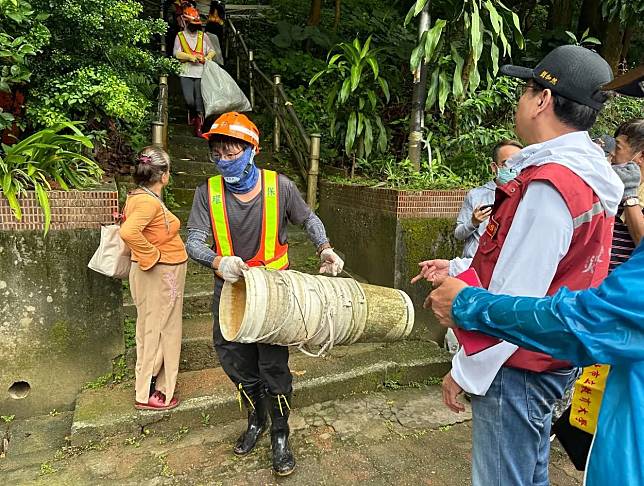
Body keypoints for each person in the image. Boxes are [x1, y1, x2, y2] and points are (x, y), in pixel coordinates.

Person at [411, 45, 623, 486]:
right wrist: (458, 268)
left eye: (525, 91)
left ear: (542, 99)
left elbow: (514, 301)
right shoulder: (589, 176)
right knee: (529, 471)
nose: (519, 102)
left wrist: (464, 373)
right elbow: (540, 268)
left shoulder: (551, 183)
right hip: (553, 356)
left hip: (517, 367)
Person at [185, 112, 344, 476]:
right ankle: (257, 417)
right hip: (230, 291)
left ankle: (281, 432)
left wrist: (324, 248)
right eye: (218, 154)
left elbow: (309, 219)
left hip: (274, 293)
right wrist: (216, 260)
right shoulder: (206, 193)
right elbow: (193, 240)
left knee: (274, 366)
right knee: (235, 362)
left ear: (252, 150)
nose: (224, 161)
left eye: (232, 152)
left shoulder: (280, 187)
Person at [426, 239, 644, 486]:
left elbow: (589, 322)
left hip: (517, 367)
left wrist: (468, 305)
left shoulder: (557, 200)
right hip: (557, 373)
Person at [119, 146, 188, 411]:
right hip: (160, 273)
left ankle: (150, 386)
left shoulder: (139, 196)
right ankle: (152, 390)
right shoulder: (147, 202)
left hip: (157, 273)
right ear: (164, 175)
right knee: (162, 330)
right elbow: (129, 232)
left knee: (152, 328)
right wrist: (153, 255)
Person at [454, 139, 523, 260]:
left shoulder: (527, 195)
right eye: (507, 163)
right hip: (474, 266)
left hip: (509, 267)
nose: (514, 169)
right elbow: (459, 234)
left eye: (519, 163)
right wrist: (473, 222)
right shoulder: (476, 195)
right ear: (494, 167)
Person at [173, 6, 216, 137]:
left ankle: (199, 126)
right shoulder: (180, 36)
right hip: (185, 72)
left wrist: (207, 58)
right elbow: (176, 53)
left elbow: (212, 51)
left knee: (199, 100)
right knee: (189, 100)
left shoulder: (203, 36)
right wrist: (190, 57)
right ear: (186, 22)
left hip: (201, 73)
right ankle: (192, 114)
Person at [608, 119, 644, 270]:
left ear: (641, 157)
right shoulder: (610, 182)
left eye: (618, 148)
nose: (612, 154)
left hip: (621, 289)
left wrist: (629, 196)